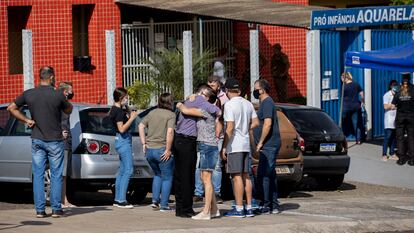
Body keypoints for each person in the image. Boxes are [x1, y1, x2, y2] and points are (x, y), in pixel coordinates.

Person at [7, 66, 73, 218]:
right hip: (55, 140)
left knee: (38, 175)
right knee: (56, 175)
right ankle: (56, 209)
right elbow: (68, 110)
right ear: (51, 78)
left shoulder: (29, 94)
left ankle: (40, 211)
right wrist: (66, 99)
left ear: (40, 77)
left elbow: (11, 108)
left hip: (37, 139)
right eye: (54, 77)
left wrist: (27, 120)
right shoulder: (58, 95)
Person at [173, 85, 221, 218]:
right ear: (202, 93)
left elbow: (184, 109)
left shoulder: (190, 100)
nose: (207, 99)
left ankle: (180, 208)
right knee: (187, 177)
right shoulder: (200, 100)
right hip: (188, 142)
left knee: (180, 176)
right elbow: (216, 110)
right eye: (207, 95)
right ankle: (186, 209)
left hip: (179, 140)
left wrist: (183, 103)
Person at [221, 78, 259, 218]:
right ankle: (249, 207)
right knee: (246, 176)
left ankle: (238, 208)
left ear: (226, 91)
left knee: (236, 177)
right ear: (239, 90)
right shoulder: (248, 103)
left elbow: (229, 128)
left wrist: (224, 146)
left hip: (235, 145)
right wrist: (245, 128)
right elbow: (256, 122)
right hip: (245, 143)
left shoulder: (229, 105)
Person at [193, 76, 228, 204]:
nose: (210, 88)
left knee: (217, 166)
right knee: (199, 165)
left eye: (212, 86)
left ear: (218, 86)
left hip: (217, 137)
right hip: (203, 138)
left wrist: (219, 131)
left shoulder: (223, 99)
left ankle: (217, 193)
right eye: (208, 86)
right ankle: (198, 192)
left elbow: (222, 117)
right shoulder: (201, 100)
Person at [138, 93, 176, 212]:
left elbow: (140, 125)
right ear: (170, 102)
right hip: (162, 149)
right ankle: (164, 205)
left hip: (150, 150)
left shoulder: (152, 112)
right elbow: (170, 132)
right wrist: (168, 149)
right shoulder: (171, 115)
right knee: (167, 178)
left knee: (157, 175)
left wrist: (144, 143)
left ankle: (155, 201)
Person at [251, 79, 281, 214]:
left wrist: (261, 142)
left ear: (262, 90)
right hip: (267, 145)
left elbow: (268, 124)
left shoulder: (267, 102)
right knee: (270, 174)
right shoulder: (264, 102)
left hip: (269, 145)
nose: (254, 91)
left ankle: (266, 204)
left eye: (256, 88)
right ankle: (273, 204)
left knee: (264, 175)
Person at [109, 87, 139, 208]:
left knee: (122, 170)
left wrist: (127, 110)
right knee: (128, 170)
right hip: (123, 140)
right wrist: (131, 118)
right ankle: (121, 199)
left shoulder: (115, 109)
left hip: (121, 141)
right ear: (121, 98)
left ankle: (117, 198)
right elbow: (121, 129)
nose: (127, 99)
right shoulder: (118, 112)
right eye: (126, 97)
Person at [58, 81, 76, 208]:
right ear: (65, 92)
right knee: (61, 174)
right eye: (70, 91)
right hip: (62, 142)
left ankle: (64, 200)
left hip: (67, 141)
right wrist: (60, 132)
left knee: (64, 174)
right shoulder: (59, 105)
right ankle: (62, 201)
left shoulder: (65, 105)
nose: (72, 93)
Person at [392, 74, 414, 166]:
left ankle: (401, 159)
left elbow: (393, 106)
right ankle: (412, 159)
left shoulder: (398, 90)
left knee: (400, 138)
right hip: (411, 117)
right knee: (411, 137)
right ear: (410, 79)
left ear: (402, 79)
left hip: (400, 117)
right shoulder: (413, 89)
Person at [341, 72, 365, 144]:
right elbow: (362, 94)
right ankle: (358, 140)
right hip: (356, 106)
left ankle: (343, 137)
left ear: (345, 77)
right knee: (356, 123)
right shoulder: (356, 84)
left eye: (342, 78)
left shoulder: (344, 86)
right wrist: (362, 102)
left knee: (343, 122)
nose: (341, 80)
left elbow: (342, 97)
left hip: (346, 107)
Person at [382, 80, 399, 162]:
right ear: (391, 86)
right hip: (389, 119)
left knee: (393, 138)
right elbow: (385, 106)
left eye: (396, 85)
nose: (395, 86)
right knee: (387, 137)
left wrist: (394, 106)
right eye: (394, 85)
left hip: (396, 119)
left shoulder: (398, 95)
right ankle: (384, 154)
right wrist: (394, 106)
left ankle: (392, 153)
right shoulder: (387, 95)